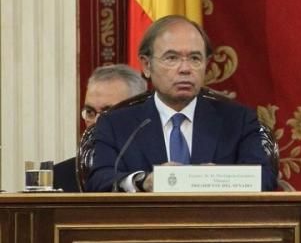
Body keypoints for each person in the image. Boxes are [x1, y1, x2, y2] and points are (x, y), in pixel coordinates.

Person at [84, 15, 277, 192]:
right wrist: (144, 181)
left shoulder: (237, 121)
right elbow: (99, 180)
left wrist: (221, 178)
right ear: (146, 65)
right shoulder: (117, 124)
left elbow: (265, 179)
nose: (185, 69)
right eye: (172, 58)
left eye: (195, 58)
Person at [53, 64, 147, 191]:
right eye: (90, 112)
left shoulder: (154, 173)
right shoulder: (59, 177)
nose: (98, 122)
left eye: (108, 113)